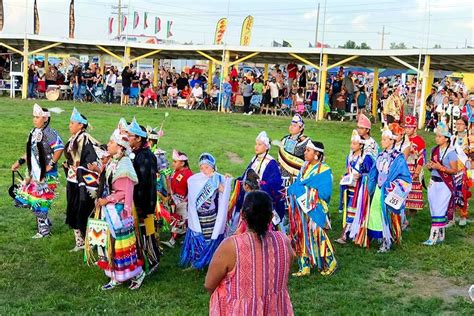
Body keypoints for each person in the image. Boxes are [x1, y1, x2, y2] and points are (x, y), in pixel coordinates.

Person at [206, 191, 294, 315]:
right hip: (275, 310)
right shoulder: (283, 240)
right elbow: (285, 272)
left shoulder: (231, 246)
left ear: (242, 215)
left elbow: (210, 284)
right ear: (270, 217)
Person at [94, 126, 144, 290]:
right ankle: (115, 275)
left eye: (111, 142)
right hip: (109, 209)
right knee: (111, 242)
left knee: (121, 245)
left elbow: (125, 192)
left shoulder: (125, 165)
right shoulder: (113, 162)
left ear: (120, 147)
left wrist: (107, 199)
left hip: (119, 211)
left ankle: (136, 273)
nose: (108, 144)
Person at [11, 104, 64, 238]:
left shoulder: (49, 133)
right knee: (31, 199)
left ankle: (44, 231)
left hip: (46, 174)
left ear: (45, 119)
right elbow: (30, 152)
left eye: (37, 117)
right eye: (34, 117)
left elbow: (59, 147)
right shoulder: (34, 132)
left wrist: (51, 164)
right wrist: (19, 162)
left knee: (41, 200)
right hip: (34, 172)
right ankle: (44, 223)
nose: (34, 119)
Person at [287, 140, 337, 276]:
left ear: (317, 154)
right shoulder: (304, 167)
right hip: (301, 207)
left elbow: (325, 193)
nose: (305, 152)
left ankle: (330, 262)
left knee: (317, 234)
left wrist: (307, 192)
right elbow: (299, 184)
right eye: (306, 150)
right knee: (301, 234)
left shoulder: (324, 170)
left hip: (315, 208)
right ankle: (304, 266)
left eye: (308, 150)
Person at [180, 153, 232, 269]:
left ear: (213, 167)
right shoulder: (195, 180)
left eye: (207, 167)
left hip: (211, 216)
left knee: (209, 238)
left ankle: (209, 260)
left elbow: (225, 191)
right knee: (199, 237)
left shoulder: (216, 179)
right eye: (201, 167)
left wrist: (226, 180)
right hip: (199, 216)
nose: (204, 170)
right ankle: (197, 261)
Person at [363, 128, 412, 252]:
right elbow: (374, 172)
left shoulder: (398, 158)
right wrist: (370, 185)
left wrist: (392, 187)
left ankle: (387, 240)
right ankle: (377, 236)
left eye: (385, 139)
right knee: (375, 213)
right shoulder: (381, 155)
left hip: (389, 191)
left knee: (386, 215)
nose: (382, 141)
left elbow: (405, 176)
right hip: (379, 189)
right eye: (382, 139)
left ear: (391, 141)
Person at [228, 132, 286, 234]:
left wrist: (259, 185)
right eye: (256, 144)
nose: (256, 147)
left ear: (266, 147)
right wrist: (235, 181)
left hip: (261, 201)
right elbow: (244, 176)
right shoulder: (254, 159)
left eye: (259, 144)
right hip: (249, 197)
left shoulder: (271, 162)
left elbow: (276, 183)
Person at [126, 118, 160, 284]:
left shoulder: (146, 156)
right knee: (141, 233)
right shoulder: (137, 154)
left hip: (145, 204)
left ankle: (154, 260)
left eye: (130, 136)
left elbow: (145, 184)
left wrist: (139, 205)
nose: (128, 138)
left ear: (139, 138)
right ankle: (144, 258)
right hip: (138, 203)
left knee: (148, 233)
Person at [63, 108, 101, 252]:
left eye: (72, 123)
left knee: (82, 209)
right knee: (72, 209)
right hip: (72, 179)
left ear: (81, 125)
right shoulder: (74, 138)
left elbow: (91, 160)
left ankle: (89, 241)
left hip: (83, 182)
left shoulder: (85, 139)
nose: (70, 125)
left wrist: (80, 169)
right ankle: (79, 241)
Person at [336, 130, 374, 245]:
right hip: (349, 187)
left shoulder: (366, 158)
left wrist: (361, 176)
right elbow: (349, 171)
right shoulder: (350, 156)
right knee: (349, 210)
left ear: (361, 145)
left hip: (360, 189)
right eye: (351, 143)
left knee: (355, 210)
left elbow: (371, 174)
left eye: (354, 143)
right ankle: (351, 233)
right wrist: (345, 176)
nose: (351, 146)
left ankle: (348, 234)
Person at [424, 122, 458, 245]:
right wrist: (431, 166)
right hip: (434, 182)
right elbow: (433, 167)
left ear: (446, 139)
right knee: (433, 208)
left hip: (445, 184)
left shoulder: (451, 152)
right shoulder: (435, 150)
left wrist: (441, 168)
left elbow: (454, 170)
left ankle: (432, 237)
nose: (436, 138)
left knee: (439, 209)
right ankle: (441, 234)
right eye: (436, 136)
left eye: (439, 136)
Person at [162, 150, 194, 248]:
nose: (173, 164)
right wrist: (168, 178)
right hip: (176, 201)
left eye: (175, 162)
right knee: (177, 220)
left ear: (182, 163)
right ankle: (182, 239)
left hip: (182, 203)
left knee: (180, 221)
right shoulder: (177, 172)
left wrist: (168, 178)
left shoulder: (187, 175)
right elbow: (171, 189)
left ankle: (174, 241)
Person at [450, 117, 471, 227]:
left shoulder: (470, 138)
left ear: (466, 125)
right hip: (453, 168)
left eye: (461, 124)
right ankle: (452, 217)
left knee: (463, 192)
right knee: (452, 192)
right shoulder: (452, 138)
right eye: (457, 123)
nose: (458, 126)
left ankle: (463, 215)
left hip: (464, 169)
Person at [278, 114, 310, 185]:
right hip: (283, 173)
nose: (291, 127)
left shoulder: (306, 141)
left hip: (297, 173)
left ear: (301, 128)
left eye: (294, 126)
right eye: (291, 125)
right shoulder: (284, 139)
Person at [404, 115, 426, 217]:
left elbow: (421, 158)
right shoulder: (403, 139)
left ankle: (413, 213)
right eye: (406, 127)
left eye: (409, 128)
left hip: (414, 167)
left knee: (413, 190)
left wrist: (417, 171)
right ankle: (403, 211)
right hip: (404, 167)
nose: (407, 130)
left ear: (415, 128)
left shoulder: (420, 141)